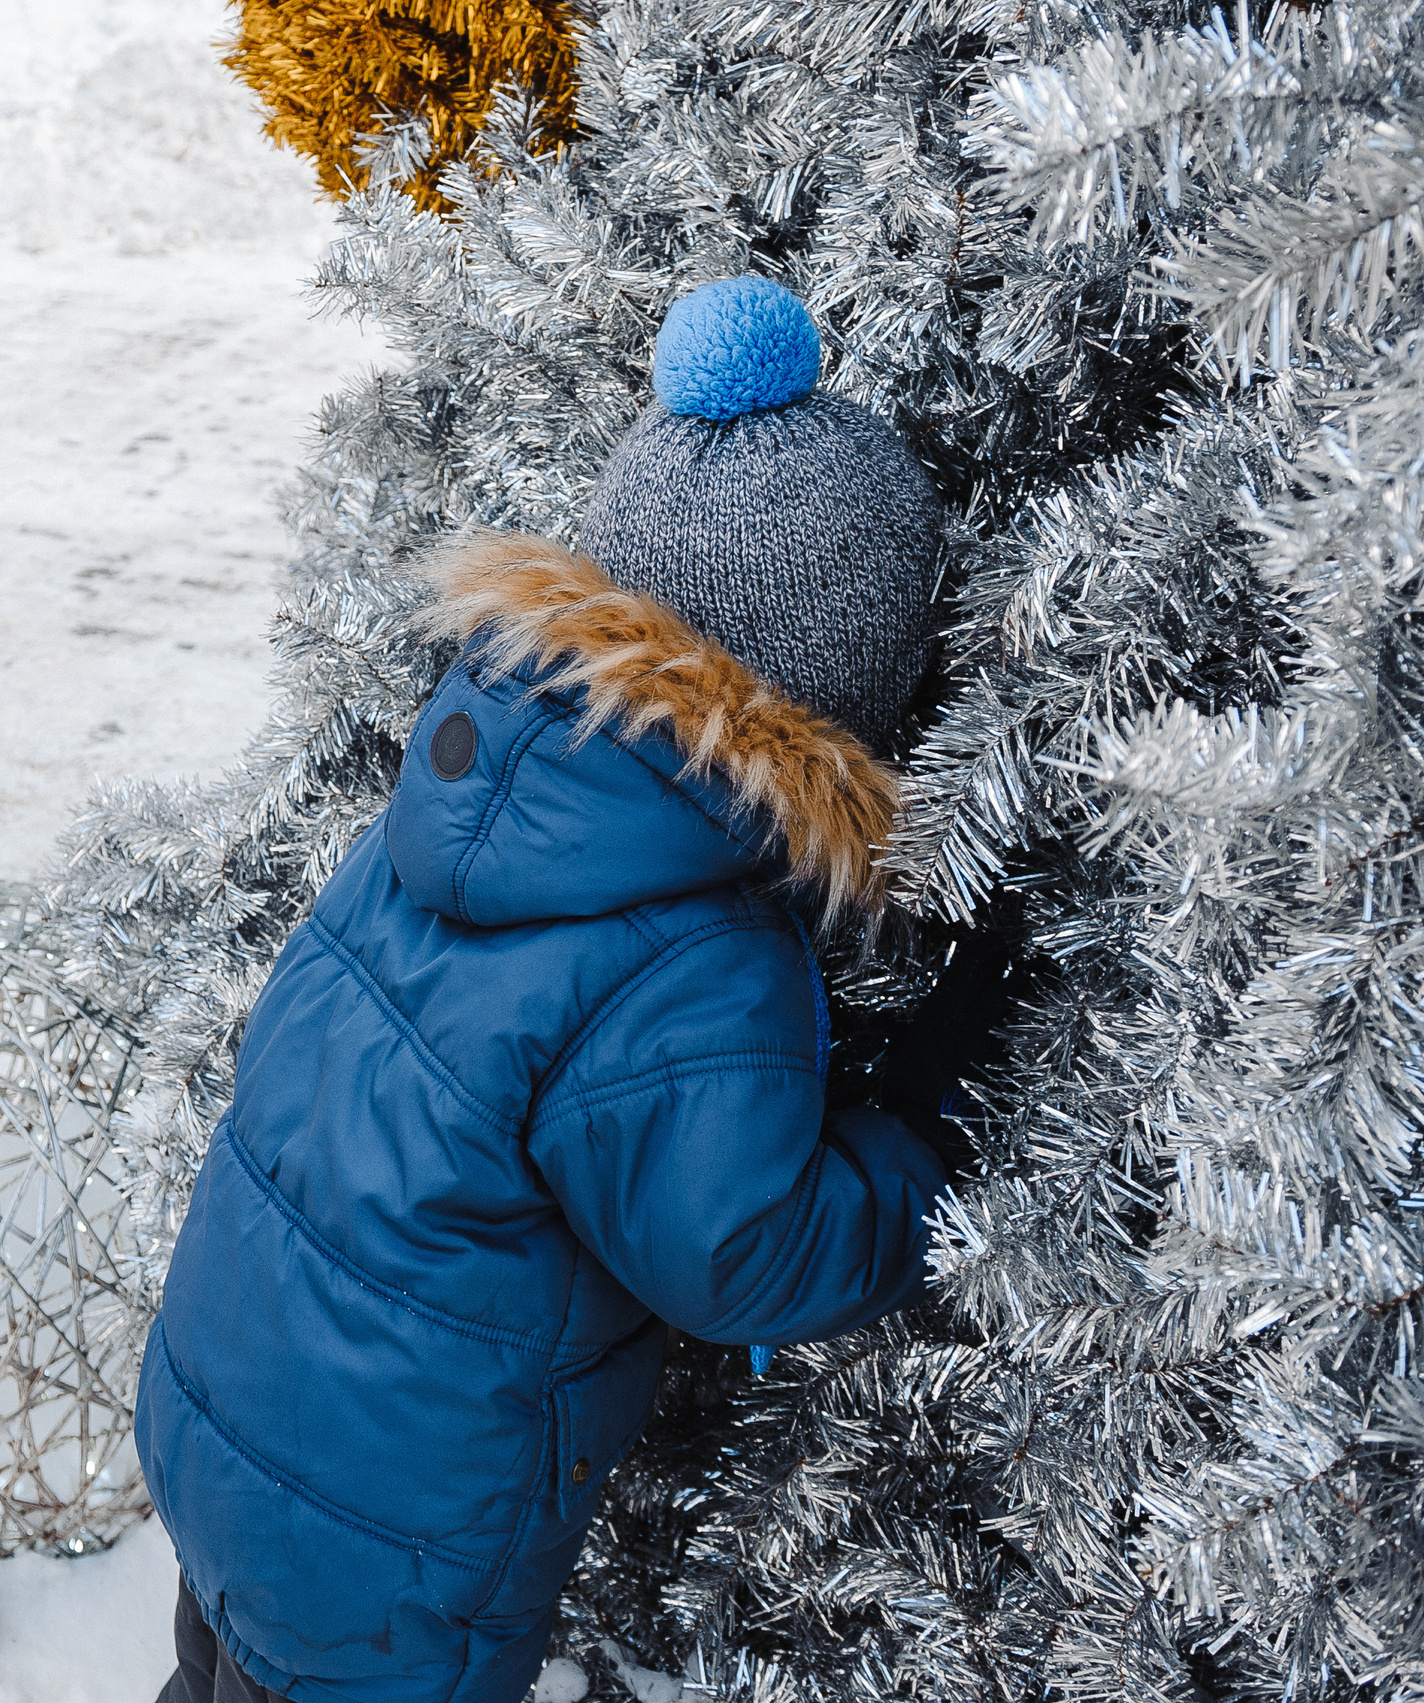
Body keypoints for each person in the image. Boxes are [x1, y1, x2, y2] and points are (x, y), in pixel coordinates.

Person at [138, 276, 994, 1703]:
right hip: (401, 1557)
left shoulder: (469, 773)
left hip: (231, 1424)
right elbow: (737, 1254)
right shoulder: (696, 952)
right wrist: (924, 1129)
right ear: (836, 694)